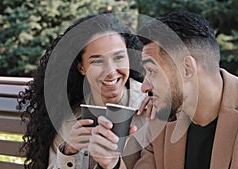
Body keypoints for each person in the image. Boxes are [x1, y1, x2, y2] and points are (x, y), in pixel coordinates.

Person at [90, 11, 238, 169]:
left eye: (152, 71)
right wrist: (112, 163)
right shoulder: (160, 122)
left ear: (187, 69)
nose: (145, 86)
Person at [18, 13, 148, 169]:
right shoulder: (71, 119)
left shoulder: (150, 109)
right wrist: (69, 152)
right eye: (97, 61)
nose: (111, 71)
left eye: (119, 57)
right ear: (82, 67)